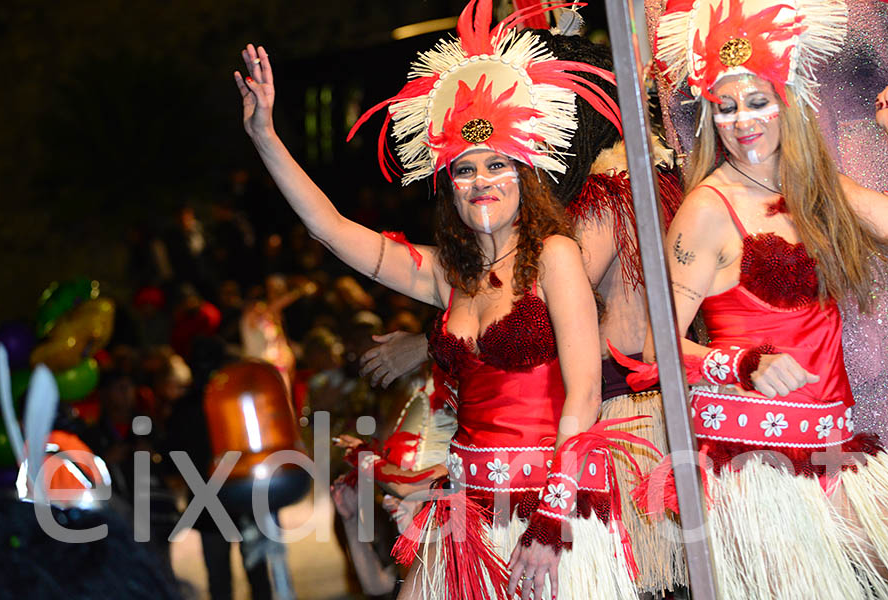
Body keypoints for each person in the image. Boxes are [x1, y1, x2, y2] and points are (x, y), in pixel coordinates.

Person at [233, 1, 648, 597]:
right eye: (464, 170)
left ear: (525, 171)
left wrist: (554, 519)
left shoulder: (555, 256)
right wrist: (265, 137)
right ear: (447, 184)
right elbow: (330, 228)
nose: (481, 182)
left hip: (547, 514)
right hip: (465, 516)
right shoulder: (445, 274)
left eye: (497, 165)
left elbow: (582, 395)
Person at [359, 28, 689, 596]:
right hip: (623, 413)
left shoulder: (599, 206)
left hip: (601, 420)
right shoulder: (658, 187)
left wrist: (430, 340)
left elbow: (519, 299)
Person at [635, 0, 888, 596]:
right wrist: (743, 363)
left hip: (836, 449)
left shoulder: (818, 189)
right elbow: (654, 350)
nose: (740, 120)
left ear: (788, 101)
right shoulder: (706, 208)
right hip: (759, 467)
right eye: (724, 107)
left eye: (755, 101)